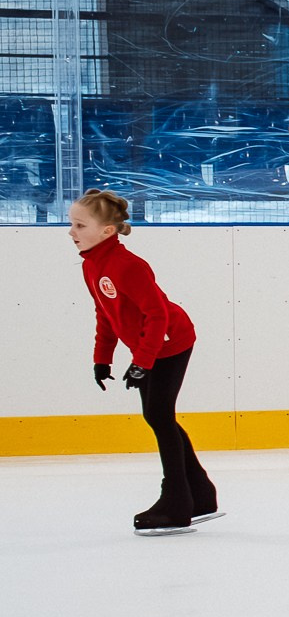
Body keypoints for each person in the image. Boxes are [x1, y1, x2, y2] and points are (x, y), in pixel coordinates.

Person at [69, 189, 220, 535]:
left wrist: (143, 362)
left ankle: (178, 502)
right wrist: (101, 359)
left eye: (80, 225)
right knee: (158, 416)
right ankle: (200, 494)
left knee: (159, 416)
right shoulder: (92, 265)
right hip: (150, 349)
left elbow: (156, 316)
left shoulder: (127, 266)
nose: (71, 232)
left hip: (170, 342)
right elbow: (106, 315)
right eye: (71, 224)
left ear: (107, 231)